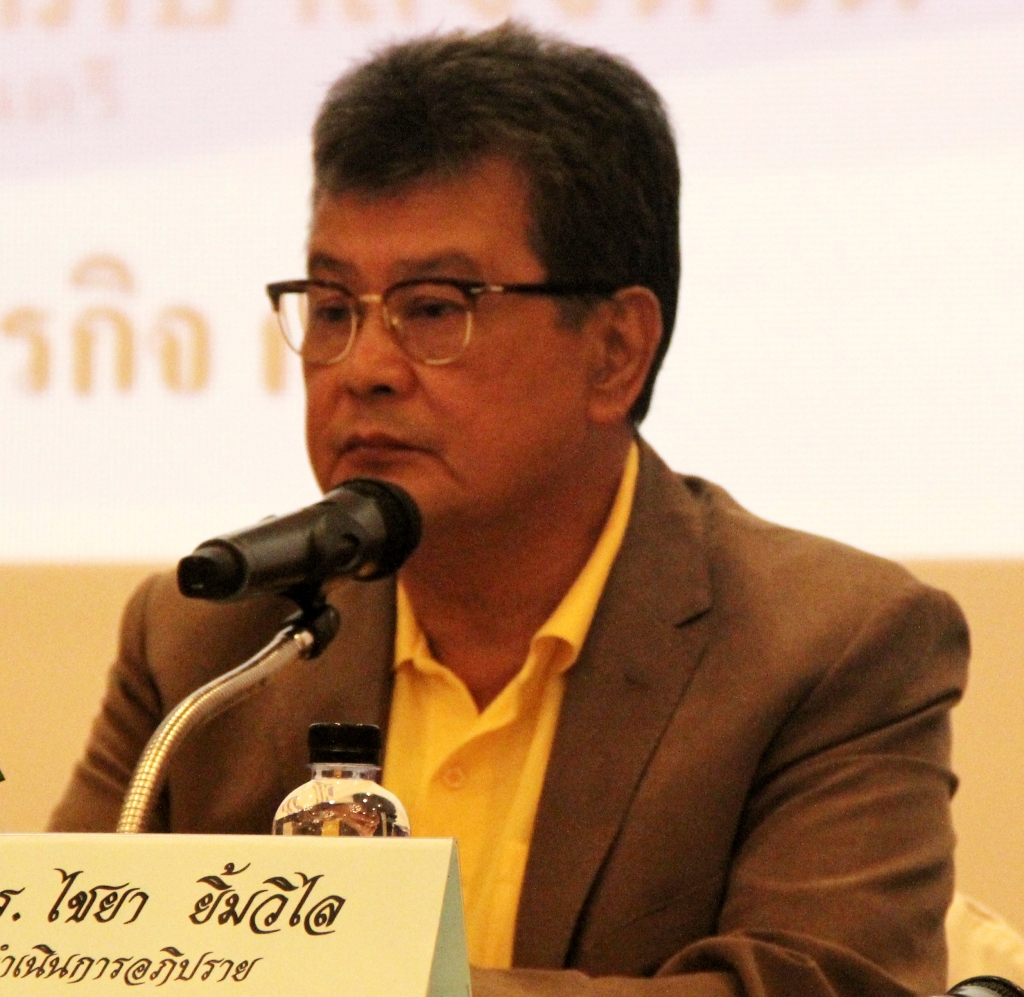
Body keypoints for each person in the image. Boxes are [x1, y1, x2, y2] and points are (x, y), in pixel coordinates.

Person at [50, 22, 969, 997]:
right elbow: (60, 963)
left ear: (615, 350)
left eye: (433, 308)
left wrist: (373, 985)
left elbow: (811, 988)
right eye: (332, 308)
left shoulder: (830, 646)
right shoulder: (209, 641)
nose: (363, 368)